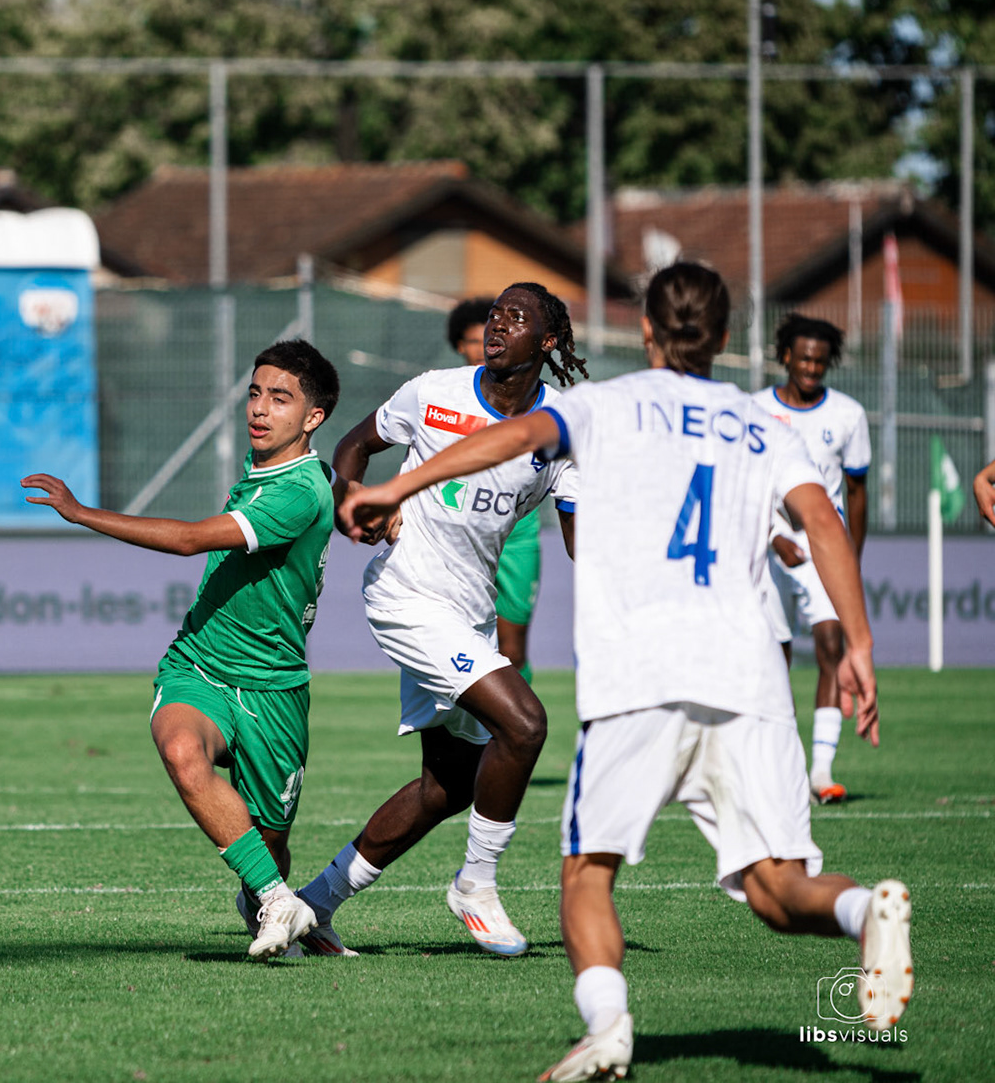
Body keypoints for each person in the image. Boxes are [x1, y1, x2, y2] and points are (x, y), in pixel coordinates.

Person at [343, 263, 910, 1080]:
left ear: (646, 330)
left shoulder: (602, 405)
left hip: (644, 673)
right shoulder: (767, 427)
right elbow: (823, 520)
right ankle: (864, 912)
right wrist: (858, 642)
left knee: (586, 874)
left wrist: (398, 483)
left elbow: (510, 437)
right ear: (723, 338)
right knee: (779, 888)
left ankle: (607, 1027)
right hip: (748, 677)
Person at [23, 340, 341, 959]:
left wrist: (82, 512)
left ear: (312, 418)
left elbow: (193, 540)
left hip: (275, 686)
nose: (260, 408)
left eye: (281, 398)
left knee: (268, 842)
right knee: (180, 749)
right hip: (199, 664)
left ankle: (276, 899)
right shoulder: (279, 473)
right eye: (255, 392)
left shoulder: (298, 490)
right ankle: (279, 901)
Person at [296, 283, 584, 958]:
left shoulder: (563, 430)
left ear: (547, 342)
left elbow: (584, 544)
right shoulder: (434, 392)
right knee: (526, 723)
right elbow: (354, 445)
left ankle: (314, 904)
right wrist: (351, 495)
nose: (498, 324)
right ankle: (476, 885)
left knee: (447, 786)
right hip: (405, 595)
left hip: (468, 613)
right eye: (495, 314)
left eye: (518, 318)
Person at [760, 314, 870, 804]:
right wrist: (771, 536)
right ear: (785, 355)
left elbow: (857, 491)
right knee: (773, 658)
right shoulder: (754, 409)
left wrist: (850, 557)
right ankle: (779, 766)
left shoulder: (848, 415)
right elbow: (742, 487)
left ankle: (821, 771)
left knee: (830, 645)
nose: (811, 368)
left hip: (824, 552)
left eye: (820, 361)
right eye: (804, 358)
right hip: (767, 549)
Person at [447, 296, 546, 681]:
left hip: (517, 531)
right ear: (461, 346)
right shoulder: (445, 394)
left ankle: (514, 727)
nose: (485, 346)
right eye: (474, 340)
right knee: (460, 640)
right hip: (460, 526)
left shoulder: (530, 396)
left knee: (512, 648)